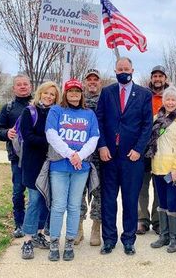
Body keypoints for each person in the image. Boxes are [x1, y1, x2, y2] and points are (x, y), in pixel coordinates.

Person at [96, 57, 153, 256]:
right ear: (115, 70)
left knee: (130, 200)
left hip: (132, 157)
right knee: (109, 200)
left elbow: (147, 125)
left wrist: (139, 149)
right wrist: (102, 145)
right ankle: (109, 240)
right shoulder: (107, 92)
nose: (123, 71)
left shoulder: (144, 94)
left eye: (126, 68)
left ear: (132, 69)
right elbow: (99, 121)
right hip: (109, 156)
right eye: (119, 68)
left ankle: (129, 239)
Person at [45, 78, 99, 261]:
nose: (74, 94)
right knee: (59, 206)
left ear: (81, 93)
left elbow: (94, 138)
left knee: (75, 206)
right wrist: (70, 154)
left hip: (81, 168)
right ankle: (54, 242)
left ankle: (69, 242)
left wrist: (80, 156)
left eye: (77, 91)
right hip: (59, 166)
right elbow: (51, 134)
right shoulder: (56, 110)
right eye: (71, 91)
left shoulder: (89, 114)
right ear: (65, 93)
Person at [20, 81, 61, 259]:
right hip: (33, 165)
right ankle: (27, 240)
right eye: (46, 93)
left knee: (46, 201)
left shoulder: (56, 113)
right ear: (40, 93)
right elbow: (28, 137)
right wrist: (50, 140)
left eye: (53, 94)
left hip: (51, 163)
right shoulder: (29, 111)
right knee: (35, 200)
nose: (49, 96)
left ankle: (38, 234)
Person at [147, 86, 176, 253]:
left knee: (172, 202)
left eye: (173, 100)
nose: (170, 102)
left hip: (173, 169)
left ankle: (174, 238)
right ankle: (163, 235)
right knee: (162, 202)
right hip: (157, 167)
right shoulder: (157, 117)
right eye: (167, 99)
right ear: (163, 101)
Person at [0, 74, 32, 238]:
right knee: (18, 192)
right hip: (17, 158)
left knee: (39, 193)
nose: (23, 87)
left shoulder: (38, 105)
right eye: (19, 85)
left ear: (30, 86)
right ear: (14, 88)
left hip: (38, 158)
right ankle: (19, 224)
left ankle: (39, 224)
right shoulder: (7, 108)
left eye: (25, 84)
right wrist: (6, 132)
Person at [137, 65, 169, 235]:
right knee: (141, 185)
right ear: (151, 78)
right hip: (143, 147)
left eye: (160, 76)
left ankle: (158, 220)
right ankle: (142, 220)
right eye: (155, 76)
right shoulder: (143, 95)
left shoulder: (170, 96)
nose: (157, 79)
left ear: (165, 78)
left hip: (162, 149)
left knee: (159, 186)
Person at [75, 68, 103, 246]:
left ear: (100, 83)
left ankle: (96, 228)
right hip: (80, 154)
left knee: (99, 192)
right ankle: (77, 228)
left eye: (96, 80)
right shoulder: (78, 101)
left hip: (99, 155)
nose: (92, 82)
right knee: (78, 192)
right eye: (89, 80)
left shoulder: (106, 101)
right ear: (85, 82)